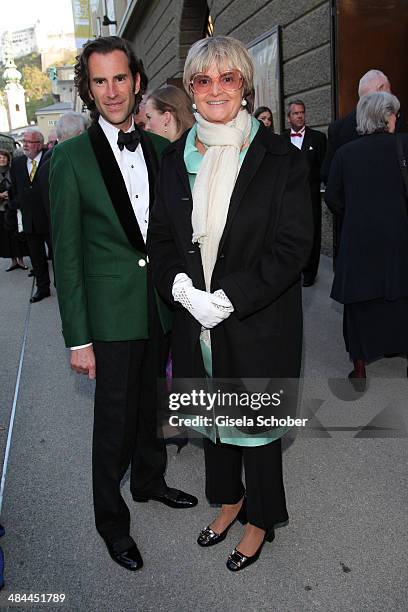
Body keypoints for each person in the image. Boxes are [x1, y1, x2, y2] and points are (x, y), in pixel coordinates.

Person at [148, 35, 312, 571]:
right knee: (214, 423)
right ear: (190, 91)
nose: (215, 89)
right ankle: (230, 501)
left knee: (257, 429)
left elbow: (293, 247)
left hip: (258, 318)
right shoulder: (174, 158)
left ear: (245, 85)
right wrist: (180, 288)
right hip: (193, 318)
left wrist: (230, 298)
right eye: (203, 79)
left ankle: (261, 518)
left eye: (228, 77)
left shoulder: (280, 158)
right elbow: (162, 240)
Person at [49, 35, 197, 573]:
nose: (112, 91)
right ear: (88, 90)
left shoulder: (161, 150)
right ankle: (111, 522)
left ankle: (150, 481)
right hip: (108, 318)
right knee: (112, 423)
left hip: (159, 305)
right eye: (99, 81)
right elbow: (66, 258)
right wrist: (78, 338)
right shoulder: (68, 160)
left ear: (137, 80)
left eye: (119, 78)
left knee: (153, 407)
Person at [325, 92, 408, 385]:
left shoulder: (346, 153)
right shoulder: (404, 145)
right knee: (402, 298)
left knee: (359, 307)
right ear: (386, 117)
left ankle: (359, 369)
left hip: (359, 241)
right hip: (400, 239)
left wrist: (356, 215)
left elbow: (332, 197)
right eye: (395, 114)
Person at [283, 100, 327, 286]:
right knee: (291, 233)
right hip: (288, 197)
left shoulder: (317, 138)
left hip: (311, 195)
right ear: (288, 117)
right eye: (295, 113)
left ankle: (310, 273)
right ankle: (292, 269)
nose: (299, 116)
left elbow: (324, 167)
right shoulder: (282, 139)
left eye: (302, 112)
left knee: (313, 232)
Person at [9, 128, 52, 301]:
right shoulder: (18, 163)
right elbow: (15, 188)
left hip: (49, 218)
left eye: (29, 142)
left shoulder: (50, 158)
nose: (25, 145)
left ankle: (62, 287)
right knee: (37, 258)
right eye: (24, 141)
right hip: (30, 219)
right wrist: (16, 204)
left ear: (40, 144)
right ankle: (43, 289)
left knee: (57, 257)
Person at [0, 149, 28, 271]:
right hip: (1, 209)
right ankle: (13, 261)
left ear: (8, 159)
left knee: (18, 234)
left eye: (4, 157)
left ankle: (21, 260)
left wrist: (10, 194)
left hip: (14, 209)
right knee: (6, 237)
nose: (2, 159)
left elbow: (19, 186)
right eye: (0, 157)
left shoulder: (13, 170)